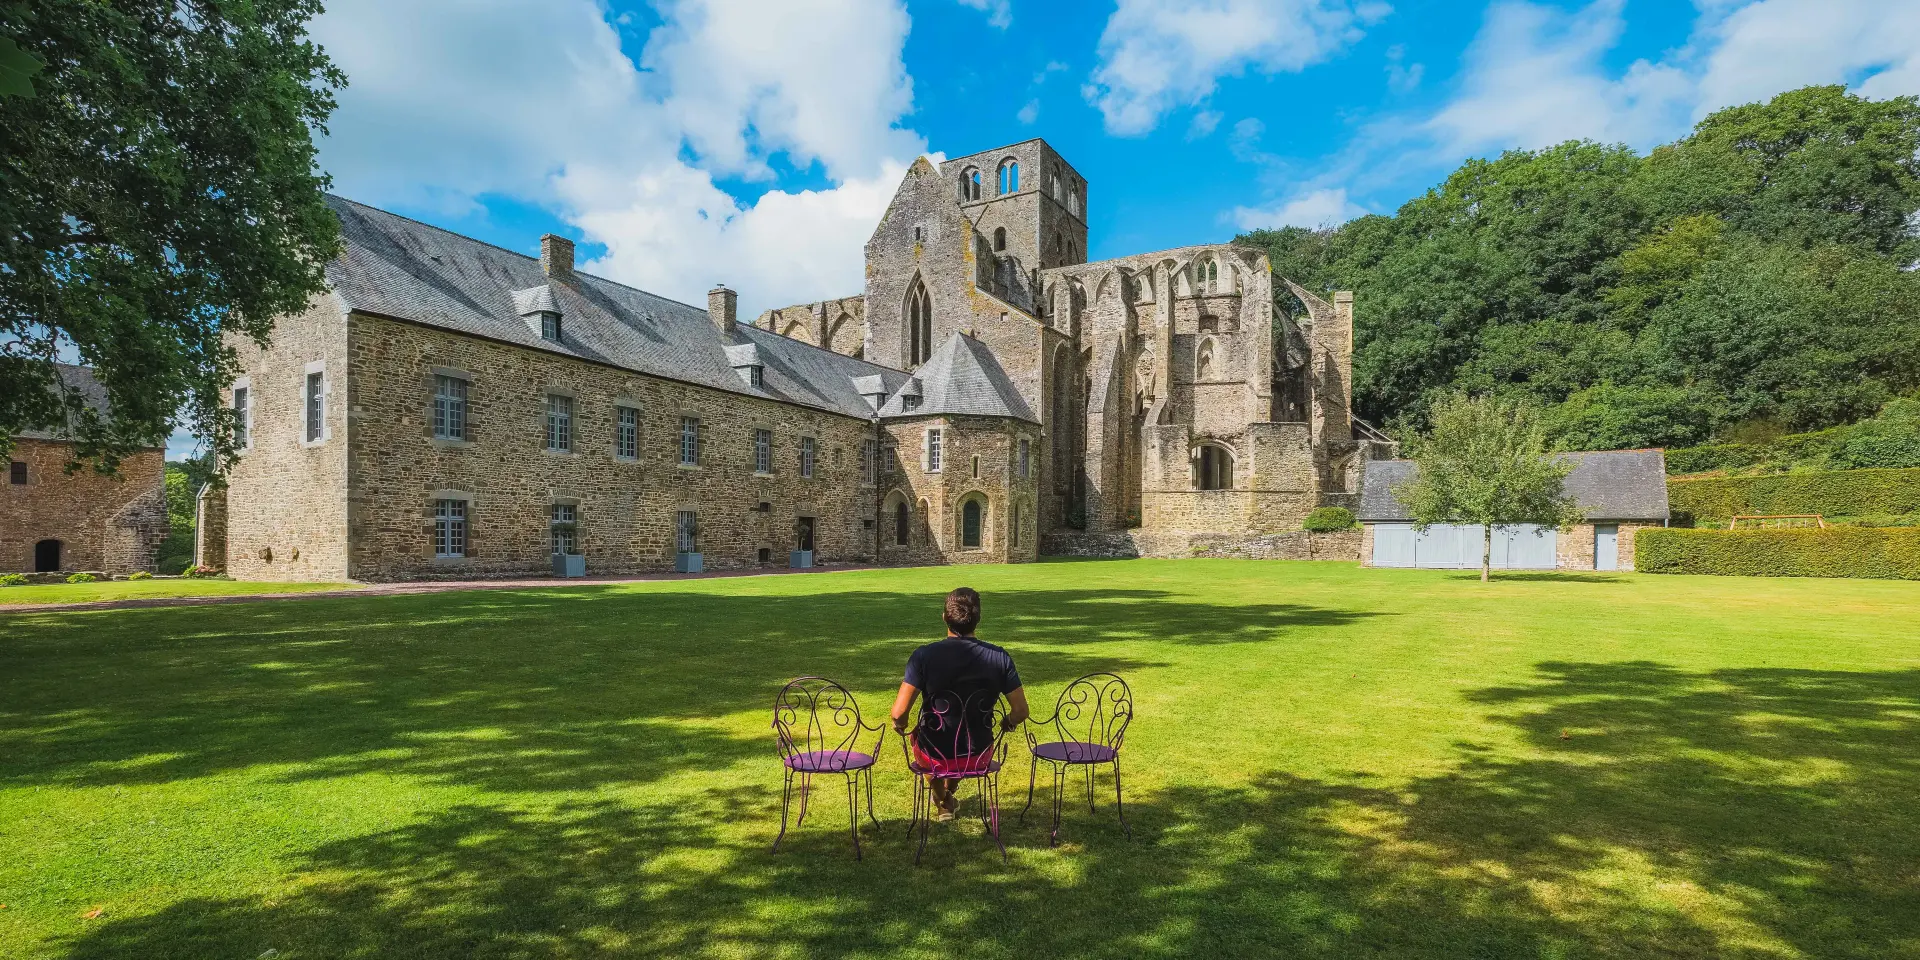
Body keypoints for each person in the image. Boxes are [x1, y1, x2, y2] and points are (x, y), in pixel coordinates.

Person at [891, 586, 1029, 819]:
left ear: (945, 617)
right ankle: (948, 795)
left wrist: (900, 725)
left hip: (934, 755)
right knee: (962, 738)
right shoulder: (1000, 657)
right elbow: (1021, 711)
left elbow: (898, 713)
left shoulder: (924, 656)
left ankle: (942, 798)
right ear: (978, 619)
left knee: (927, 739)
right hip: (979, 755)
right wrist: (1008, 722)